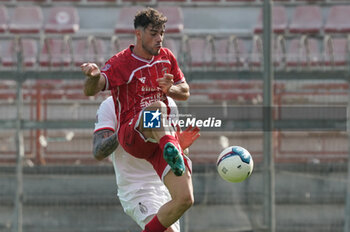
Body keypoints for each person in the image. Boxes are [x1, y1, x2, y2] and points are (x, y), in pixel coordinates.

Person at [82, 7, 193, 232]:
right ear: (138, 34)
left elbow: (185, 91)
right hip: (132, 139)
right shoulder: (122, 62)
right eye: (153, 33)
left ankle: (170, 146)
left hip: (156, 156)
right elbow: (93, 89)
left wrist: (170, 88)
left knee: (185, 199)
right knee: (156, 108)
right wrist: (92, 78)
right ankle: (169, 145)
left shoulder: (166, 57)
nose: (159, 38)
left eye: (162, 33)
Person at [93, 96, 200, 232]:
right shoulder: (111, 105)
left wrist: (180, 145)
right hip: (136, 187)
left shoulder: (168, 103)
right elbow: (98, 151)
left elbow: (173, 152)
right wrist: (123, 131)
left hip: (165, 185)